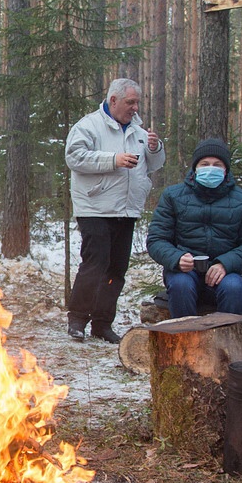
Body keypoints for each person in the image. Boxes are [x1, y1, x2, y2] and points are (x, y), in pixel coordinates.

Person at [65, 78, 165, 343]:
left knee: (116, 269)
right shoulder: (88, 126)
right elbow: (74, 157)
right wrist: (113, 160)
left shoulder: (139, 131)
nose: (135, 108)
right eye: (130, 102)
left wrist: (155, 148)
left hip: (127, 209)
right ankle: (77, 319)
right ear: (113, 100)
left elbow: (153, 165)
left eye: (137, 103)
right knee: (95, 264)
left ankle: (102, 323)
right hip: (95, 207)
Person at [146, 139, 242, 318]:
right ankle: (184, 339)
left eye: (217, 164)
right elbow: (156, 239)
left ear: (226, 170)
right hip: (184, 271)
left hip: (227, 271)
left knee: (234, 288)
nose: (211, 168)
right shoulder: (173, 196)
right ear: (195, 168)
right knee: (180, 285)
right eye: (205, 164)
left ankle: (225, 341)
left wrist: (225, 263)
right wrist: (177, 258)